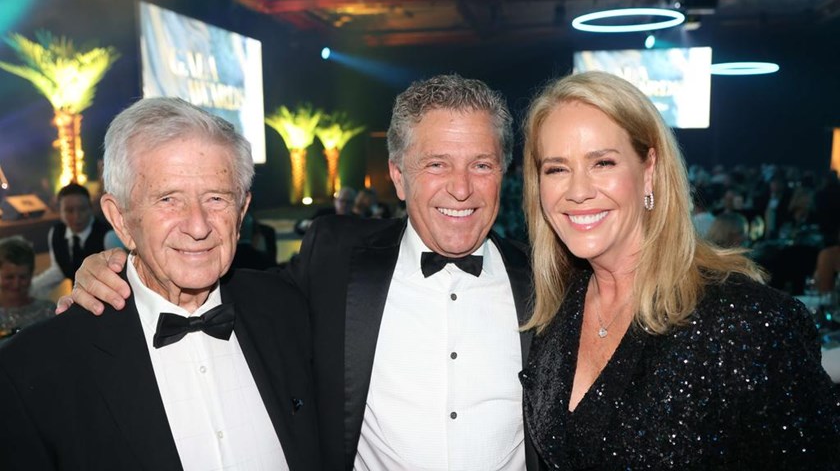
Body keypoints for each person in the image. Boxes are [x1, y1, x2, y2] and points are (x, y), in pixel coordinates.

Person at [65, 74, 538, 471]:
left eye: (481, 165)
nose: (461, 188)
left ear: (504, 173)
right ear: (397, 175)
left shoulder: (547, 281)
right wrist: (113, 263)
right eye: (436, 164)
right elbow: (209, 277)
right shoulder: (335, 257)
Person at [518, 71, 840, 469]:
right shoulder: (555, 314)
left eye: (602, 162)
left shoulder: (746, 323)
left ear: (649, 168)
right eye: (556, 169)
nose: (578, 191)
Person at [0, 97, 320, 470]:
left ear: (242, 210)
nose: (198, 226)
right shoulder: (34, 369)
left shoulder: (290, 309)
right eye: (169, 199)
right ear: (119, 220)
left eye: (216, 198)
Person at [30, 182, 110, 297]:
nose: (76, 216)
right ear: (59, 211)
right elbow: (58, 270)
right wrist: (28, 288)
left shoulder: (107, 234)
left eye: (82, 209)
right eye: (69, 210)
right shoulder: (57, 233)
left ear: (91, 208)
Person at [0, 237, 53, 340]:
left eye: (23, 277)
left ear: (31, 275)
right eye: (9, 277)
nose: (16, 284)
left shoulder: (48, 311)